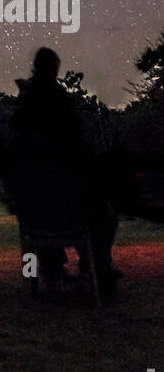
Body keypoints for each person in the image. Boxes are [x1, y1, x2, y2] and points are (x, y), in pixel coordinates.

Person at [6, 47, 120, 300]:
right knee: (105, 216)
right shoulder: (75, 150)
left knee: (35, 213)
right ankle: (95, 268)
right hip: (74, 219)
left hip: (36, 221)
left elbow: (14, 193)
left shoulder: (21, 151)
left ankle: (50, 274)